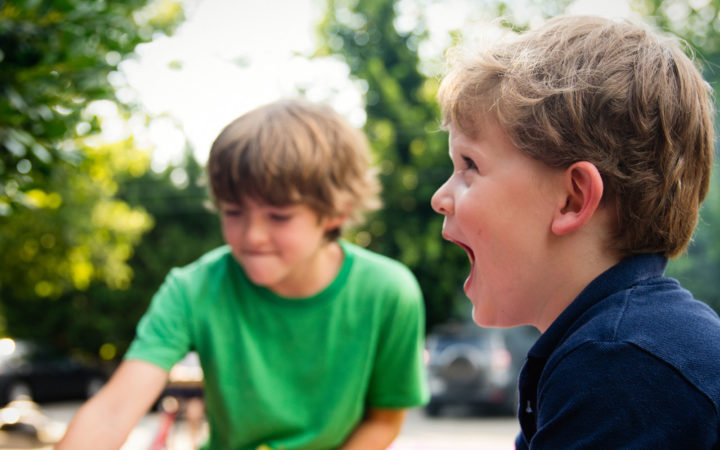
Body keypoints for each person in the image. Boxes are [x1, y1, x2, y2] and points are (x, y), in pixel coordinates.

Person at [58, 98, 429, 449]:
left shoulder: (389, 292)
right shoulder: (193, 289)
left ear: (337, 212)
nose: (252, 236)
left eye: (279, 216)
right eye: (233, 211)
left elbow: (384, 420)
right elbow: (112, 412)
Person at [430, 15, 720, 448]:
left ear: (572, 199)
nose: (439, 197)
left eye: (469, 165)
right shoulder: (617, 343)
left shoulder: (619, 365)